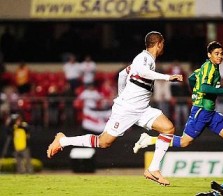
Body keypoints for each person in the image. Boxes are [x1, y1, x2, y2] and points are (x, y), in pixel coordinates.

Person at [47, 31, 183, 186]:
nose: (164, 46)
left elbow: (121, 75)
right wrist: (167, 77)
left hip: (142, 109)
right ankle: (63, 140)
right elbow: (143, 72)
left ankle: (153, 169)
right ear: (159, 43)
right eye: (163, 43)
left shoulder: (146, 60)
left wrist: (121, 94)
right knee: (104, 142)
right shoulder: (143, 58)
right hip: (127, 109)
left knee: (168, 128)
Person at [133, 41, 223, 174]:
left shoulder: (210, 67)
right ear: (209, 55)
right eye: (216, 54)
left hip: (210, 112)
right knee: (184, 142)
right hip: (201, 111)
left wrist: (195, 93)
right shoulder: (209, 68)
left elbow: (192, 78)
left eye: (221, 53)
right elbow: (203, 87)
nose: (220, 56)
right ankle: (149, 139)